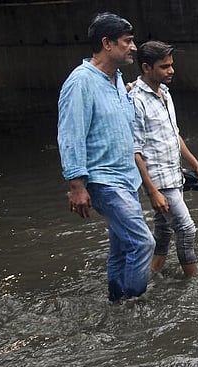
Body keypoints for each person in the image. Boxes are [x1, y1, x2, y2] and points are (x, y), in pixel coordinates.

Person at [57, 12, 155, 302]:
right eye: (127, 41)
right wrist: (76, 185)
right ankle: (134, 303)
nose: (133, 47)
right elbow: (70, 134)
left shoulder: (116, 81)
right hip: (103, 179)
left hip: (125, 178)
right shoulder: (81, 82)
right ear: (107, 44)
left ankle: (116, 302)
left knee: (122, 247)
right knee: (143, 243)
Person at [130, 40, 198, 277]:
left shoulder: (164, 93)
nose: (171, 70)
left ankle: (151, 274)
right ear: (146, 67)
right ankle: (192, 277)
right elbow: (135, 151)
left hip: (173, 174)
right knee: (186, 228)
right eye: (164, 66)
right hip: (159, 181)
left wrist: (196, 165)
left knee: (163, 230)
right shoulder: (136, 100)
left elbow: (175, 136)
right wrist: (152, 191)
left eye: (171, 65)